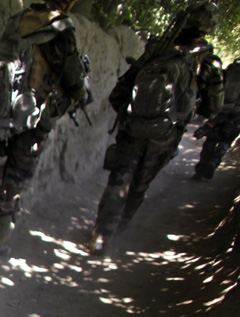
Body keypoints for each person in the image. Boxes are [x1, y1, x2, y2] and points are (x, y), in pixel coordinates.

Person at [90, 0, 223, 255]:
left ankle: (100, 236)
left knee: (119, 179)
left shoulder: (158, 49)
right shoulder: (208, 61)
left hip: (133, 127)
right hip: (166, 135)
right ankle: (120, 231)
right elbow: (213, 107)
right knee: (140, 185)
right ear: (208, 28)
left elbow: (120, 92)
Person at [0, 0, 90, 255]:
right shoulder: (61, 26)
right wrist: (81, 93)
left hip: (8, 105)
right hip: (35, 111)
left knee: (11, 163)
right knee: (17, 174)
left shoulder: (21, 18)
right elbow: (71, 73)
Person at [194, 57, 240, 180]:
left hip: (220, 112)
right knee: (225, 143)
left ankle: (200, 170)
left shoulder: (229, 71)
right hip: (236, 119)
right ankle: (214, 162)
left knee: (210, 141)